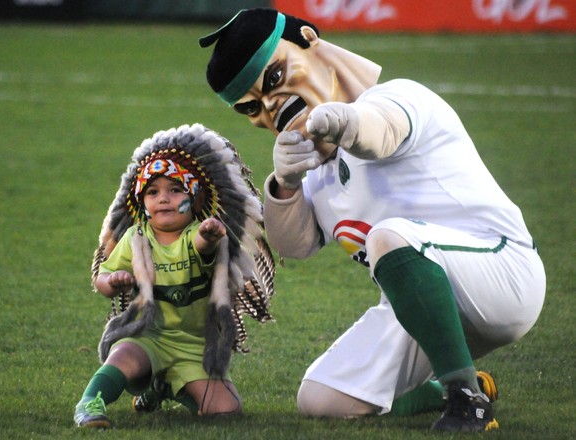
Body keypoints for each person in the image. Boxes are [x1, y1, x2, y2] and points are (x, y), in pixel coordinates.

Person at [199, 8, 545, 433]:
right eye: (251, 107)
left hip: (503, 273)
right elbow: (295, 246)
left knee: (388, 236)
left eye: (274, 78)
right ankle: (454, 386)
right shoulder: (320, 172)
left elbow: (380, 132)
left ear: (310, 40)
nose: (271, 107)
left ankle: (467, 401)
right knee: (322, 397)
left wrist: (343, 122)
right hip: (420, 307)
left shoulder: (399, 95)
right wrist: (285, 184)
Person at [74, 124, 275, 428]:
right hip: (148, 335)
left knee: (226, 411)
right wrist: (111, 282)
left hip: (193, 347)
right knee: (124, 353)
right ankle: (90, 402)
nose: (163, 198)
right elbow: (102, 278)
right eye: (152, 192)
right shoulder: (135, 237)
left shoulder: (197, 233)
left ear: (193, 198)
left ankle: (165, 387)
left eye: (175, 189)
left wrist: (210, 235)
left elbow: (202, 248)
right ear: (142, 203)